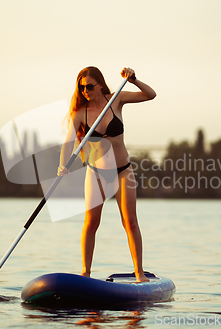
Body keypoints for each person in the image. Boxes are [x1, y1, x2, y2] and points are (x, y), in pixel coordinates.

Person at [57, 66, 156, 282]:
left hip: (123, 171)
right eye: (82, 87)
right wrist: (62, 165)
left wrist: (134, 80)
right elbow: (68, 143)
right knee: (91, 223)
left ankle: (139, 273)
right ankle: (86, 272)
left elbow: (151, 95)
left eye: (90, 86)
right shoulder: (79, 114)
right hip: (97, 173)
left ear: (100, 84)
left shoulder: (116, 100)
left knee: (130, 222)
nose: (85, 91)